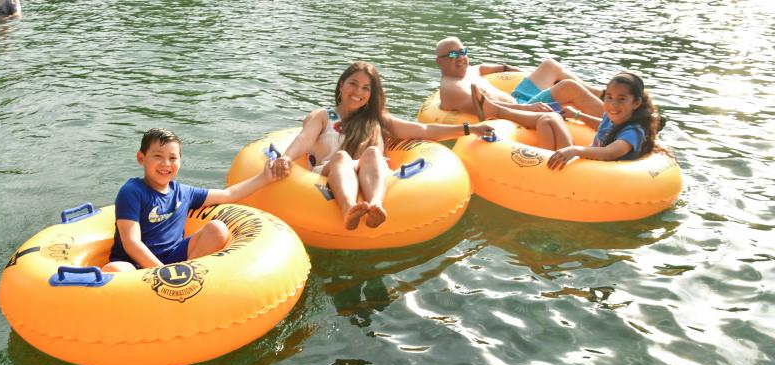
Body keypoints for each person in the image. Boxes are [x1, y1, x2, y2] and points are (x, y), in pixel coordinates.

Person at [270, 61, 494, 231]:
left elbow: (425, 131)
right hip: (330, 172)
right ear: (341, 85)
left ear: (371, 94)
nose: (358, 92)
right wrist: (287, 158)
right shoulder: (322, 116)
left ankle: (376, 206)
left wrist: (469, 129)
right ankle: (349, 209)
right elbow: (304, 139)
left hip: (371, 172)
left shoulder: (378, 119)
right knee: (342, 158)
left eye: (366, 88)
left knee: (373, 153)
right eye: (353, 84)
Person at [102, 128, 274, 272]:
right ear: (141, 158)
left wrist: (265, 178)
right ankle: (173, 283)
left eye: (172, 158)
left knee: (217, 229)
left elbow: (228, 195)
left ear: (180, 162)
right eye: (158, 156)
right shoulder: (132, 191)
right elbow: (131, 243)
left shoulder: (184, 193)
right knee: (115, 269)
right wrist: (163, 273)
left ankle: (187, 281)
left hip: (176, 259)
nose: (166, 164)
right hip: (135, 265)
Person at [436, 36, 603, 150]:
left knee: (549, 65)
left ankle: (602, 94)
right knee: (568, 87)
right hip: (517, 109)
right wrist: (528, 109)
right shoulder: (452, 89)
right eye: (452, 55)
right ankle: (617, 119)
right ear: (440, 62)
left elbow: (482, 67)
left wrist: (507, 68)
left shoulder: (469, 70)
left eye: (462, 52)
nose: (460, 58)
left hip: (517, 98)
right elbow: (487, 108)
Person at [547, 72, 665, 170]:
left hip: (604, 176)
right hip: (590, 165)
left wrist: (575, 150)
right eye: (609, 97)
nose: (613, 104)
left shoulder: (633, 132)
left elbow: (609, 153)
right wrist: (578, 115)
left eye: (622, 99)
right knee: (548, 121)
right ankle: (543, 164)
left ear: (636, 103)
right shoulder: (611, 118)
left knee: (550, 121)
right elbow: (603, 127)